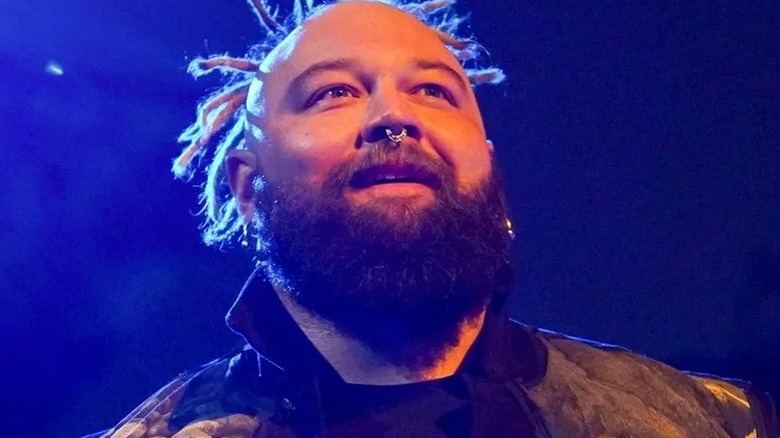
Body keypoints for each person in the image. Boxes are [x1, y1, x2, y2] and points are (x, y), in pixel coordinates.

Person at [89, 0, 778, 437]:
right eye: (334, 92)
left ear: (488, 167)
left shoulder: (711, 423)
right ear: (247, 186)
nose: (395, 117)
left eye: (433, 91)